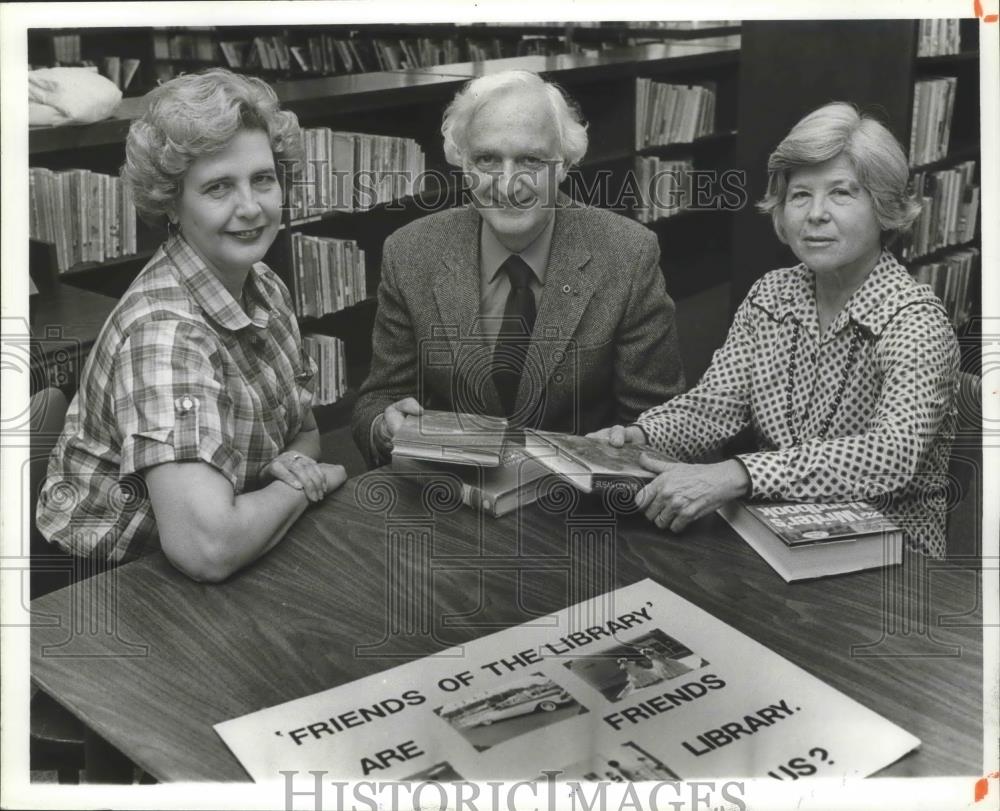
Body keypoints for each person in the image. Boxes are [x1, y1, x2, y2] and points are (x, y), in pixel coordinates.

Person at [592, 102, 959, 558]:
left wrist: (739, 475)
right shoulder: (771, 295)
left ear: (884, 207)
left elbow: (892, 454)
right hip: (774, 534)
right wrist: (642, 436)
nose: (816, 214)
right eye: (800, 195)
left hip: (893, 562)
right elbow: (714, 408)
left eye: (842, 193)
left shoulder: (915, 318)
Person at [37, 69, 346, 582]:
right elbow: (208, 548)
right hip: (106, 583)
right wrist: (301, 485)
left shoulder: (264, 283)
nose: (251, 208)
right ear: (172, 204)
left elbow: (305, 434)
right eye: (219, 187)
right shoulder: (165, 334)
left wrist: (290, 473)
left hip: (220, 534)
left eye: (263, 179)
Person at [351, 70, 684, 467]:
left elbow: (660, 423)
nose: (508, 185)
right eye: (487, 159)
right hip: (453, 493)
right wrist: (385, 427)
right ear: (462, 162)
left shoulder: (627, 254)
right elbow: (377, 401)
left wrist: (620, 456)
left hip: (575, 505)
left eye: (531, 160)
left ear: (564, 165)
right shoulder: (410, 253)